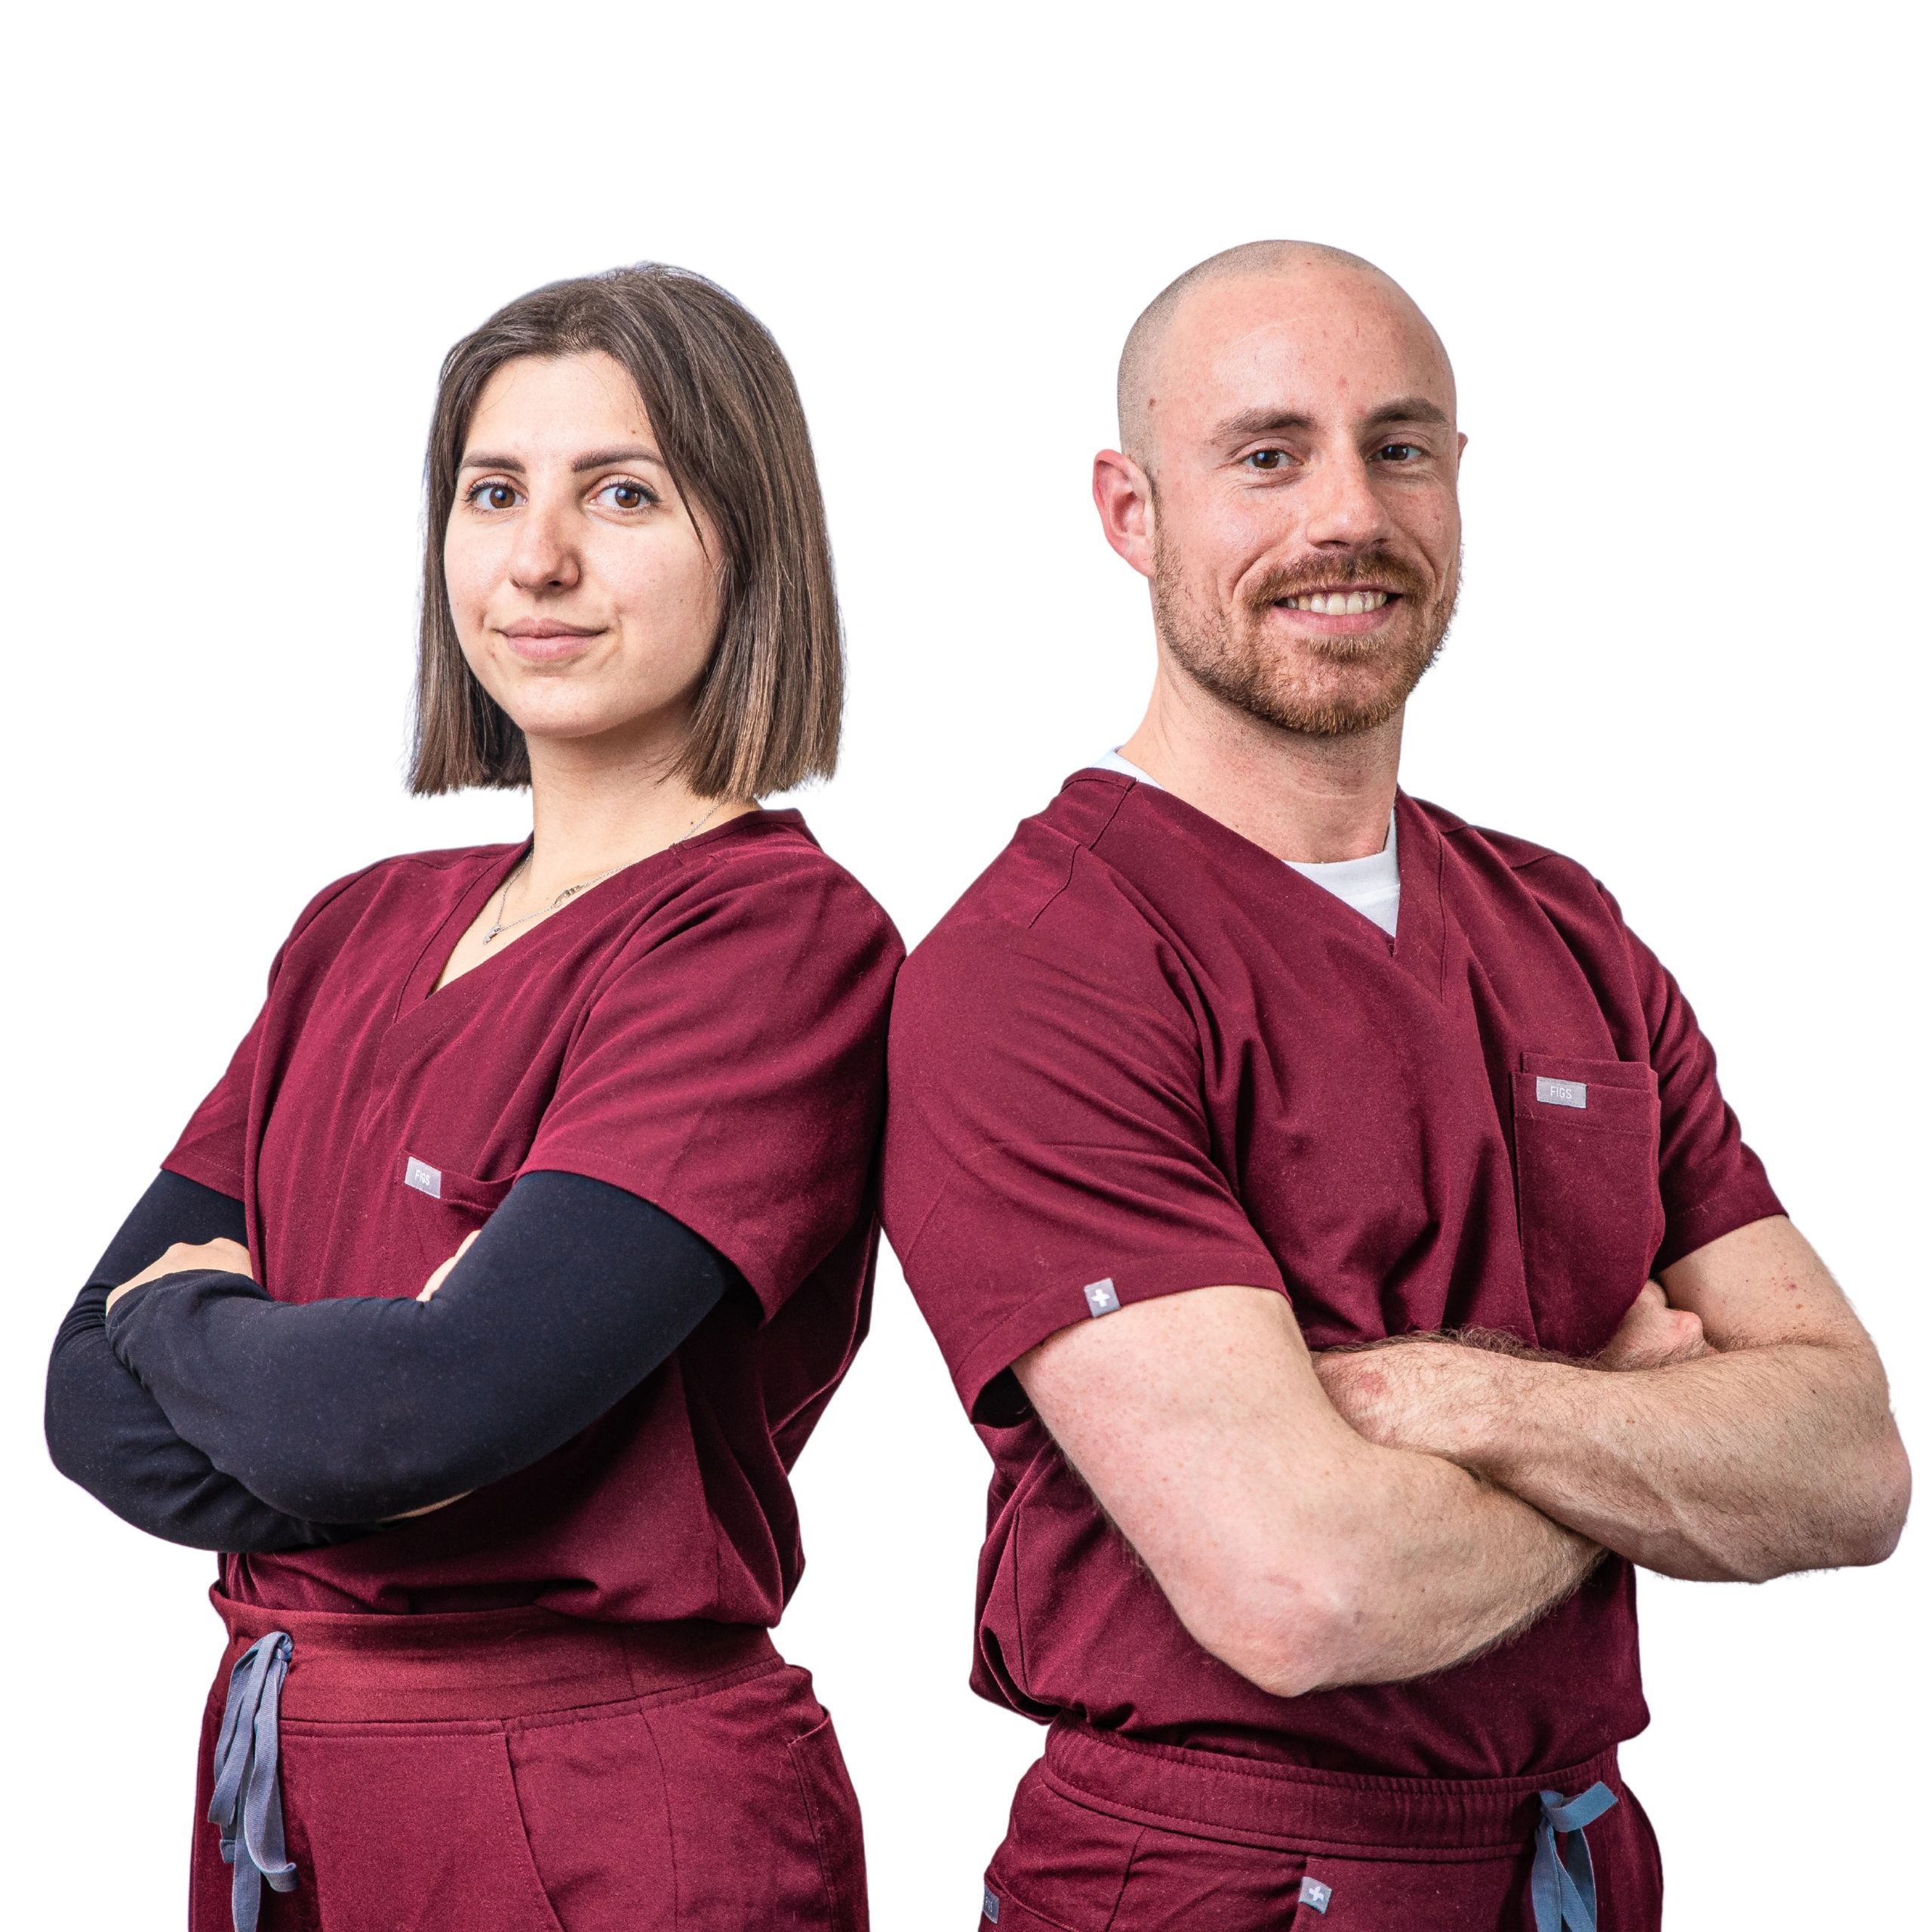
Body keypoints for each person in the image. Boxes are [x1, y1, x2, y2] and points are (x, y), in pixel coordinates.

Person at [881, 242, 1909, 1930]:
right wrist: (1651, 1425)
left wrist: (1457, 1399)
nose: (1347, 513)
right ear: (1129, 511)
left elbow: (1852, 1464)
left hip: (1567, 1861)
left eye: (1400, 446)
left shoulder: (1564, 929)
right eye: (1266, 454)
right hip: (1218, 1879)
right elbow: (1304, 1585)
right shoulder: (1040, 969)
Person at [45, 264, 899, 1932]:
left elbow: (426, 1412)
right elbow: (84, 1402)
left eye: (622, 495)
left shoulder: (768, 945)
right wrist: (355, 1415)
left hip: (592, 1807)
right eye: (494, 492)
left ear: (750, 544)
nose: (538, 559)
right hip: (286, 1779)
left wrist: (187, 1318)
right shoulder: (357, 928)